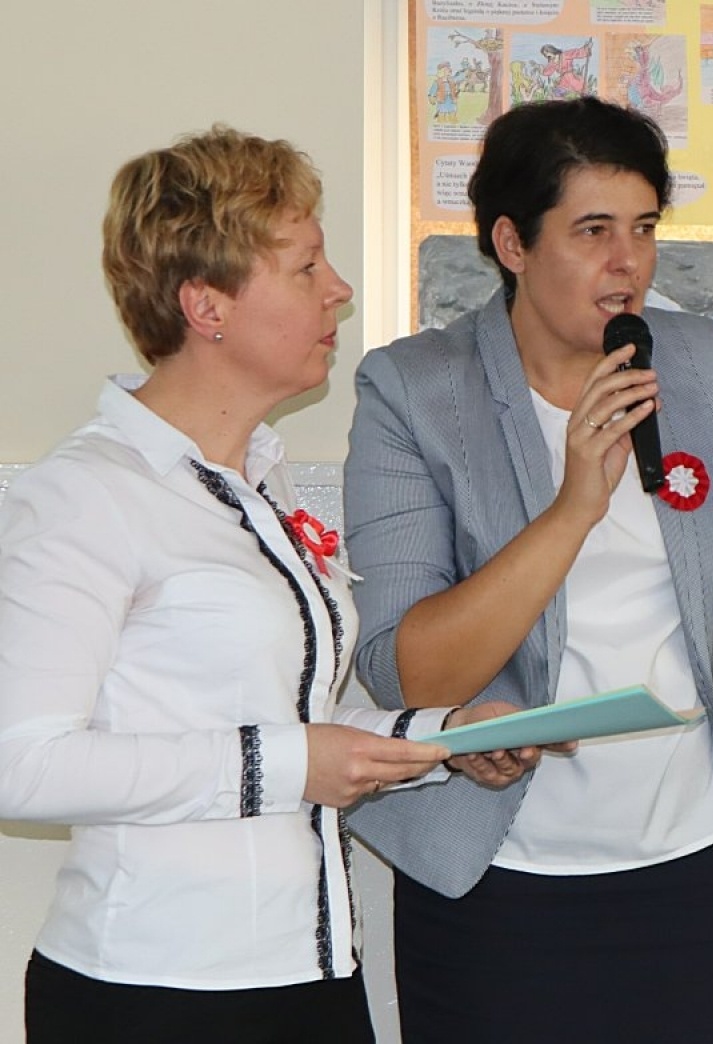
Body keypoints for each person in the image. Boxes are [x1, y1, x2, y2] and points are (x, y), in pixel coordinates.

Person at [342, 96, 713, 1041]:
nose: (629, 263)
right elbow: (408, 672)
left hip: (689, 858)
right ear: (512, 243)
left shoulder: (695, 361)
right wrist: (574, 509)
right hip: (499, 875)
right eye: (593, 231)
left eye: (645, 228)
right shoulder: (415, 388)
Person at [0, 126, 522, 1042]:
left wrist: (442, 738)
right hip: (150, 998)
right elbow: (22, 764)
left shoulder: (258, 481)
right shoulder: (86, 494)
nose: (339, 289)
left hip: (311, 980)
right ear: (206, 305)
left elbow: (290, 720)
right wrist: (284, 765)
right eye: (305, 265)